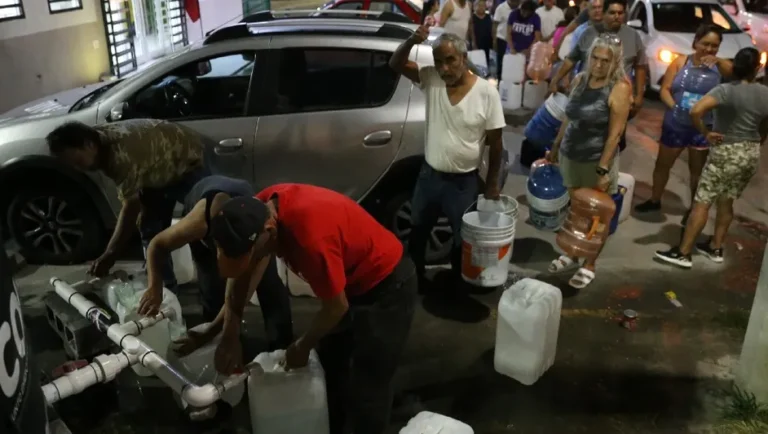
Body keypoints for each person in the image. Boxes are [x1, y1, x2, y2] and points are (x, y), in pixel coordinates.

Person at [204, 184, 417, 434]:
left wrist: (302, 345)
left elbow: (336, 307)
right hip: (350, 282)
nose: (249, 262)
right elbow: (241, 278)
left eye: (249, 256)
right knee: (331, 365)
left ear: (270, 231)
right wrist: (230, 336)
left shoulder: (310, 237)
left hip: (387, 284)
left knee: (368, 386)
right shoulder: (254, 210)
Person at [389, 28, 506, 291]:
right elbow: (395, 63)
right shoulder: (430, 79)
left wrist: (492, 184)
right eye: (438, 61)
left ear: (463, 58)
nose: (444, 68)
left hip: (464, 184)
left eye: (450, 60)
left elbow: (496, 143)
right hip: (429, 177)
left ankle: (457, 286)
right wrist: (411, 41)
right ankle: (414, 284)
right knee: (417, 234)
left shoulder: (486, 94)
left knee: (461, 242)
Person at [136, 175, 293, 355]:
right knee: (212, 287)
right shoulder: (199, 225)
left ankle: (282, 347)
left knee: (269, 284)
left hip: (244, 220)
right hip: (204, 204)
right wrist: (154, 287)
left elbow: (237, 297)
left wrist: (229, 336)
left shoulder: (260, 235)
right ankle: (214, 344)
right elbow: (157, 245)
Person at [46, 119, 209, 290]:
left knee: (202, 233)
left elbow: (131, 208)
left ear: (88, 145)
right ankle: (164, 290)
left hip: (188, 160)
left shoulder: (119, 156)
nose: (78, 168)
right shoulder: (94, 140)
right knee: (151, 232)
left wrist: (110, 254)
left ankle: (214, 307)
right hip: (154, 168)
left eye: (78, 161)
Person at [655, 48, 768, 269]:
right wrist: (760, 139)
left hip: (726, 150)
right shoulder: (765, 93)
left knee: (703, 202)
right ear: (757, 68)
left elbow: (696, 110)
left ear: (734, 67)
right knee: (727, 200)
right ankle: (716, 247)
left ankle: (684, 252)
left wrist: (706, 133)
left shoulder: (725, 90)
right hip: (750, 152)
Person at [546, 34, 632, 289]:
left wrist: (603, 169)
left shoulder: (619, 88)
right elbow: (568, 117)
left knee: (597, 217)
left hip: (596, 160)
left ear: (615, 62)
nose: (598, 64)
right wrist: (556, 145)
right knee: (577, 211)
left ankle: (590, 263)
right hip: (570, 156)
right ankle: (573, 253)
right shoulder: (580, 80)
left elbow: (616, 133)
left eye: (606, 60)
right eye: (595, 57)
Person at [635, 25, 733, 221]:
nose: (709, 49)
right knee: (663, 165)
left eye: (714, 46)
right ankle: (655, 199)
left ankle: (693, 210)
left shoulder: (720, 68)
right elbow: (665, 89)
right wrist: (674, 106)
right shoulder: (681, 62)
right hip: (675, 124)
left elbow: (734, 75)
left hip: (701, 128)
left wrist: (719, 60)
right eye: (705, 43)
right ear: (696, 42)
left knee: (697, 171)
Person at [549, 0, 646, 151]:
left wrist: (639, 95)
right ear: (604, 14)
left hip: (617, 99)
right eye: (612, 13)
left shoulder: (633, 36)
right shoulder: (589, 33)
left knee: (614, 140)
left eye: (620, 13)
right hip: (589, 97)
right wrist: (556, 79)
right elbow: (571, 60)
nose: (616, 17)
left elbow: (640, 66)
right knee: (582, 139)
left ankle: (605, 168)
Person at [493, 0, 519, 78]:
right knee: (501, 60)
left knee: (511, 61)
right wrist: (494, 40)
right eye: (515, 2)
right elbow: (495, 24)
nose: (516, 3)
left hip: (514, 41)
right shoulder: (501, 8)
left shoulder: (519, 9)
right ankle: (499, 78)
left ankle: (509, 77)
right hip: (502, 38)